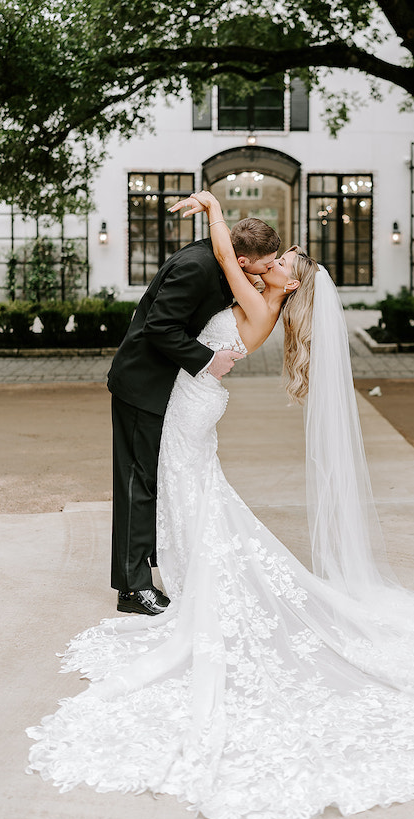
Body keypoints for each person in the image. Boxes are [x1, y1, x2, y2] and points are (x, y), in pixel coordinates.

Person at [27, 194, 414, 819]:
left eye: (280, 263)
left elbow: (228, 259)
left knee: (182, 488)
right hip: (190, 401)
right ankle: (157, 573)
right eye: (275, 256)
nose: (273, 264)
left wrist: (213, 210)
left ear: (285, 282)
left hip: (193, 404)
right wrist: (214, 225)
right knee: (184, 489)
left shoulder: (258, 299)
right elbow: (219, 274)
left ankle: (160, 576)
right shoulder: (263, 301)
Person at [106, 214, 280, 615]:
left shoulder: (220, 258)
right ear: (241, 260)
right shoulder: (197, 266)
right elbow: (159, 327)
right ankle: (133, 589)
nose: (268, 270)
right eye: (265, 264)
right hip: (143, 385)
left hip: (169, 389)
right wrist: (208, 360)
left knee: (152, 479)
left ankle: (145, 566)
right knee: (138, 484)